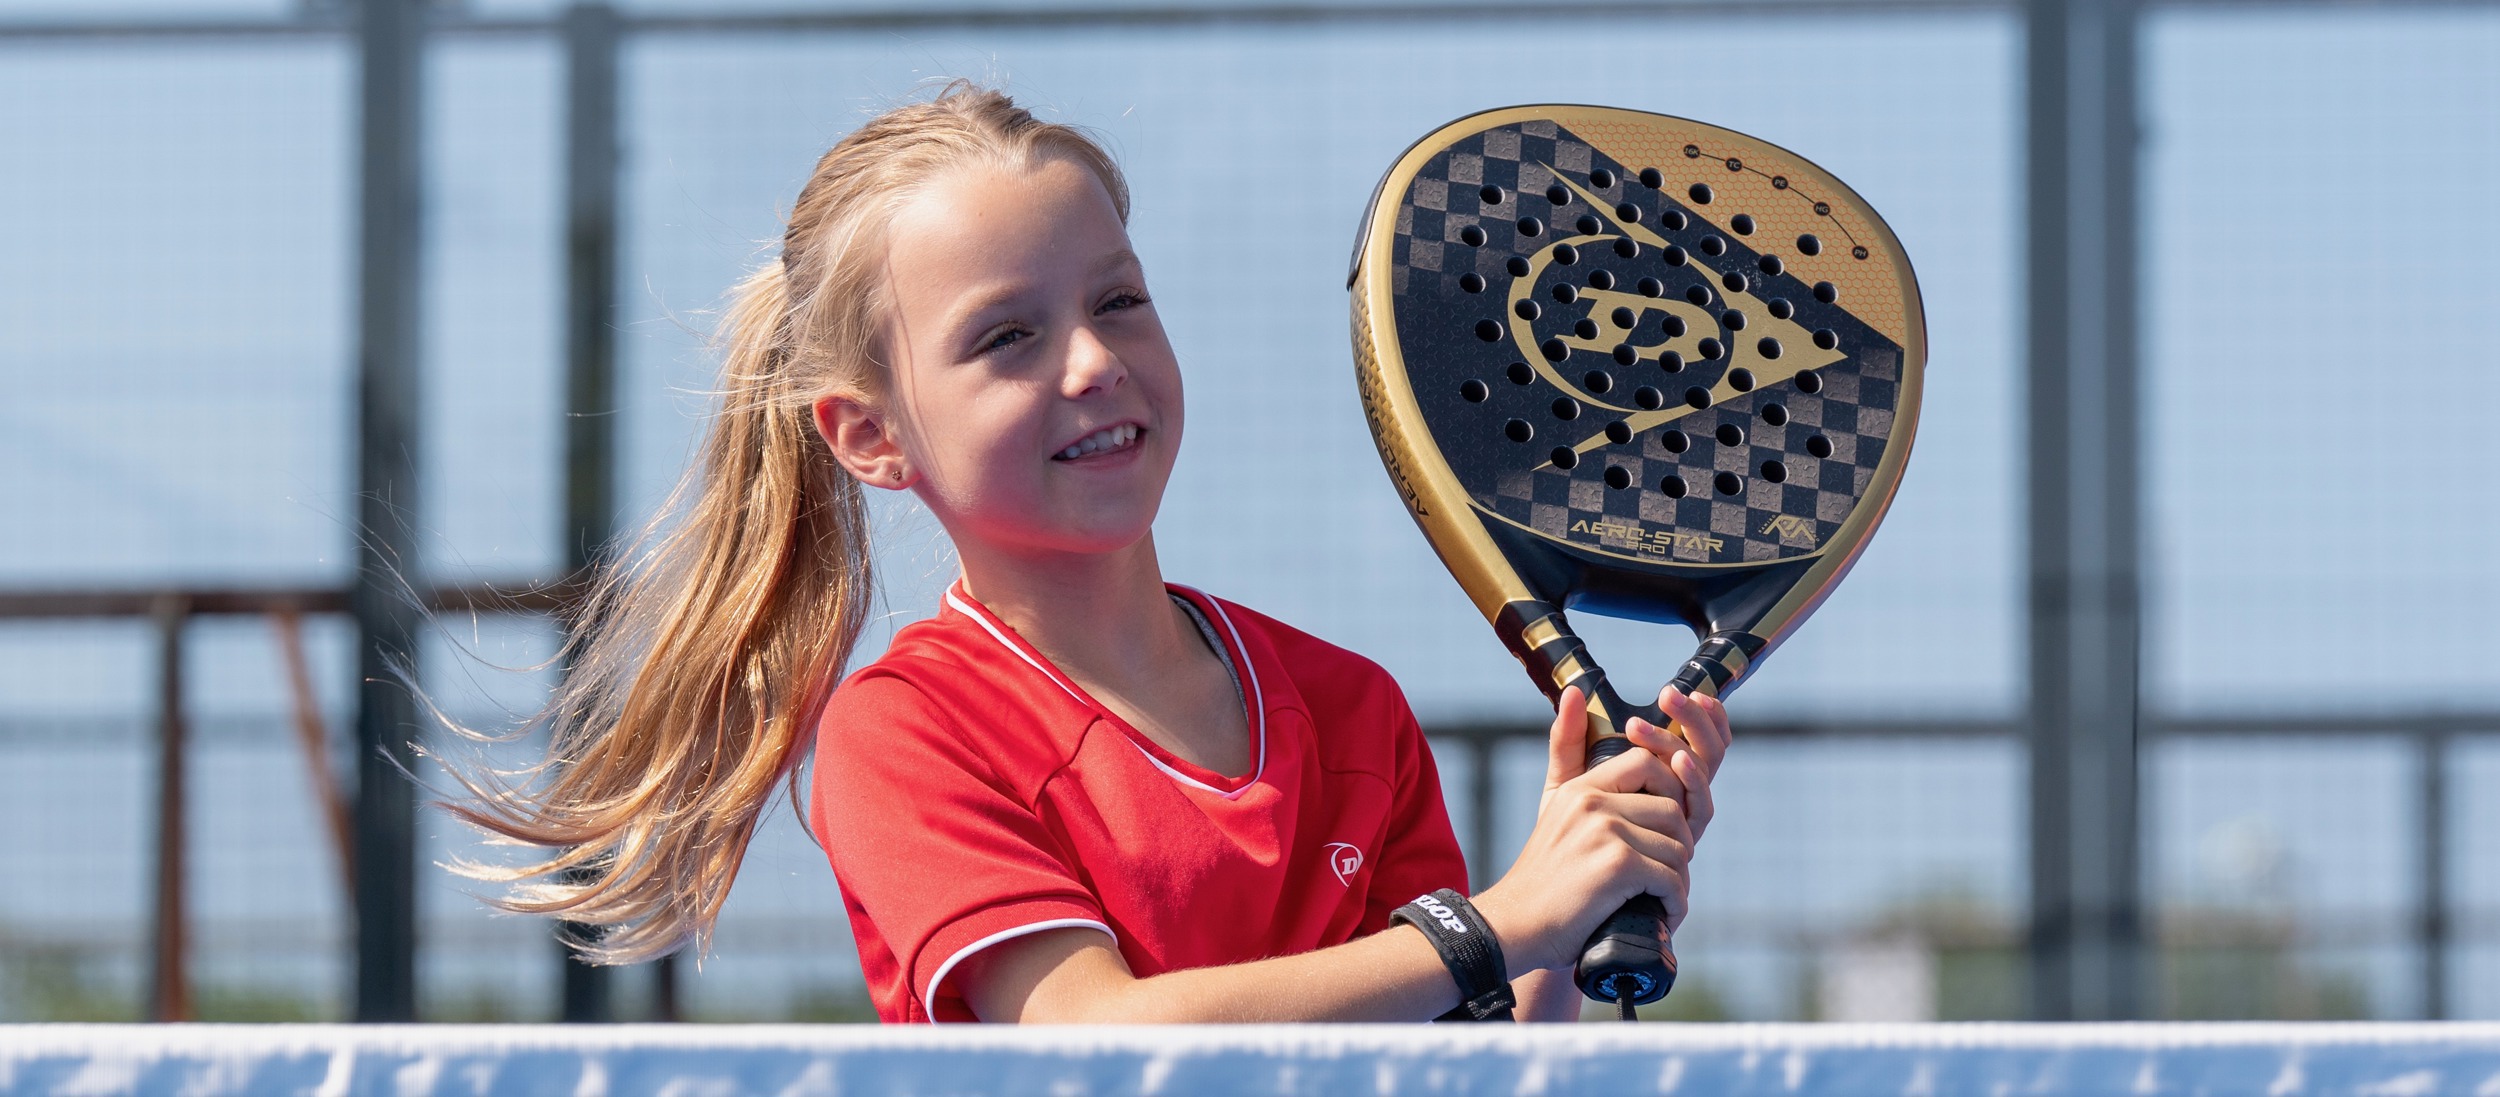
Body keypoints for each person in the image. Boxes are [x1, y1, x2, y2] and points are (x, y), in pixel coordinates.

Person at [446, 83, 1729, 1024]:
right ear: (871, 436)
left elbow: (1465, 1051)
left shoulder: (1351, 706)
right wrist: (1500, 921)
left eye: (1118, 298)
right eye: (1005, 336)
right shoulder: (905, 731)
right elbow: (1097, 1041)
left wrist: (1579, 903)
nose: (1093, 360)